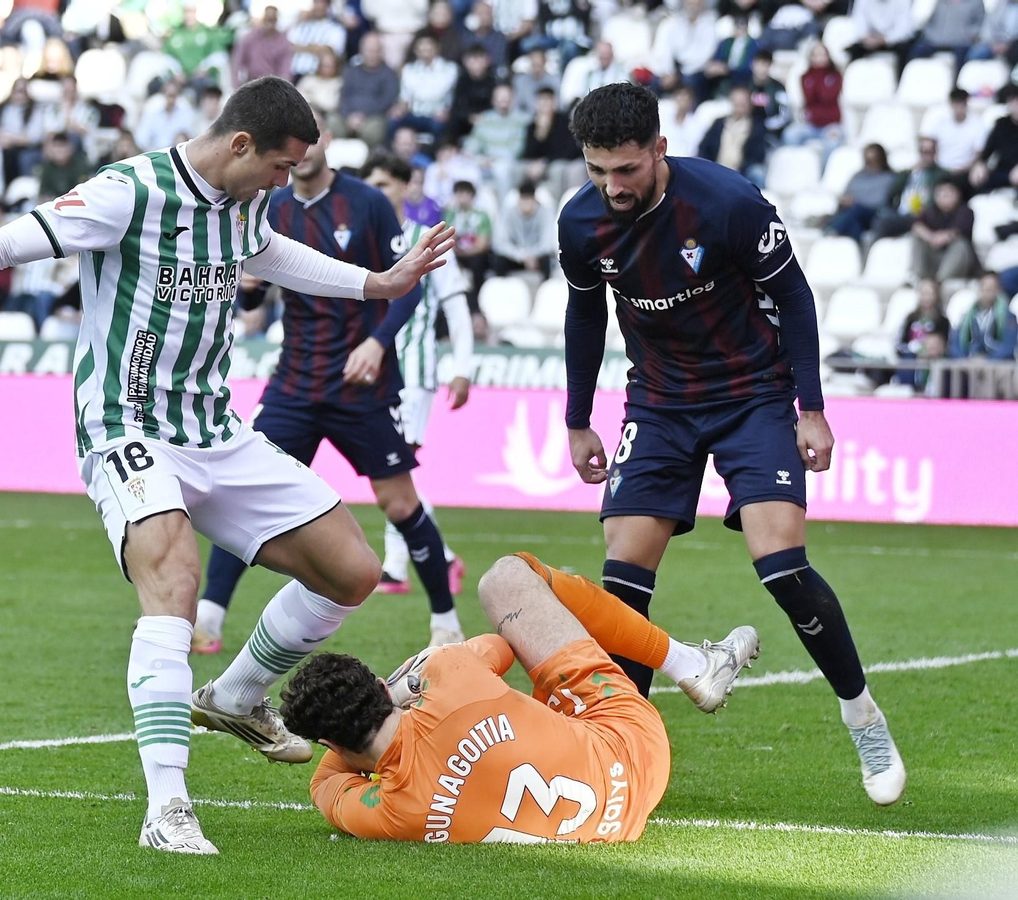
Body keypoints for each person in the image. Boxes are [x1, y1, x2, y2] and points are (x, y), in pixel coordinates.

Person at [0, 77, 456, 854]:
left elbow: (270, 253)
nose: (284, 184)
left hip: (211, 427)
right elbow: (8, 241)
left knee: (352, 570)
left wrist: (377, 283)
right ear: (240, 146)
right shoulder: (128, 193)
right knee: (173, 575)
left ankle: (235, 694)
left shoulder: (247, 202)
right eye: (279, 168)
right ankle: (167, 808)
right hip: (124, 425)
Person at [558, 83, 906, 806]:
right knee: (622, 575)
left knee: (780, 564)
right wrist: (577, 417)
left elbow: (799, 298)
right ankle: (629, 760)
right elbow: (585, 317)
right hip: (656, 403)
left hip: (752, 394)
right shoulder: (580, 223)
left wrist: (811, 408)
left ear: (659, 147)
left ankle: (861, 714)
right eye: (598, 171)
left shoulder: (727, 202)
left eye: (626, 169)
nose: (612, 186)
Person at [187, 134, 460, 660]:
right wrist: (246, 291)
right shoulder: (270, 205)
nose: (300, 152)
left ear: (325, 142)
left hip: (361, 385)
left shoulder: (368, 203)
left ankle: (446, 622)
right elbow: (256, 287)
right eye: (287, 143)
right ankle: (210, 617)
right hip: (295, 382)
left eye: (307, 139)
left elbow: (410, 284)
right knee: (243, 494)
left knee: (399, 502)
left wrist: (378, 344)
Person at [280, 552, 760, 843]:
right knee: (507, 579)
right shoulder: (450, 676)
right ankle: (688, 663)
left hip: (612, 820)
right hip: (632, 745)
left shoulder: (389, 811)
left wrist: (349, 744)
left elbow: (328, 782)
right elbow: (500, 648)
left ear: (329, 742)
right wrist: (417, 678)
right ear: (381, 688)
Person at [361, 156, 475, 609]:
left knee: (395, 468)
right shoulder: (362, 240)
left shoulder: (426, 243)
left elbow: (456, 306)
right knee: (390, 470)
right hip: (371, 373)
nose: (375, 190)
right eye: (369, 181)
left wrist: (462, 365)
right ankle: (438, 558)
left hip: (413, 373)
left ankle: (397, 564)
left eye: (384, 181)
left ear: (407, 187)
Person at [950, 270, 1017, 359]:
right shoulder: (967, 317)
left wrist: (987, 362)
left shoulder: (1007, 317)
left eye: (991, 288)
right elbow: (955, 344)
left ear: (997, 290)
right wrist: (965, 360)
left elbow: (1008, 346)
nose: (987, 292)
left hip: (997, 367)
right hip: (969, 365)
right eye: (984, 287)